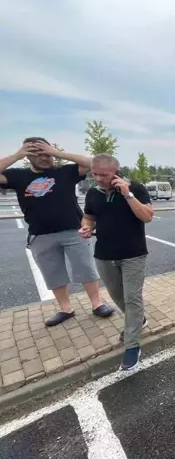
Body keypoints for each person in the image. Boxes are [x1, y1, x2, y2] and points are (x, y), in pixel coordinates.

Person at [0, 138, 114, 326]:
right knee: (53, 273)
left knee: (85, 268)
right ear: (28, 157)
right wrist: (17, 155)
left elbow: (94, 163)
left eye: (46, 153)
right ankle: (65, 309)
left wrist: (57, 153)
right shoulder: (17, 176)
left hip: (73, 230)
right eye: (38, 154)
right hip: (40, 234)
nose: (44, 158)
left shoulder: (65, 171)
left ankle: (97, 303)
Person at [80, 154, 154, 370]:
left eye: (104, 174)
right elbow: (90, 217)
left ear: (116, 172)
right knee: (117, 297)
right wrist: (86, 228)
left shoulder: (136, 188)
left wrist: (127, 194)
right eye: (95, 174)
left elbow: (147, 216)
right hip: (104, 254)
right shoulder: (93, 193)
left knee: (132, 298)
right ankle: (138, 321)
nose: (99, 178)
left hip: (133, 254)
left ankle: (132, 346)